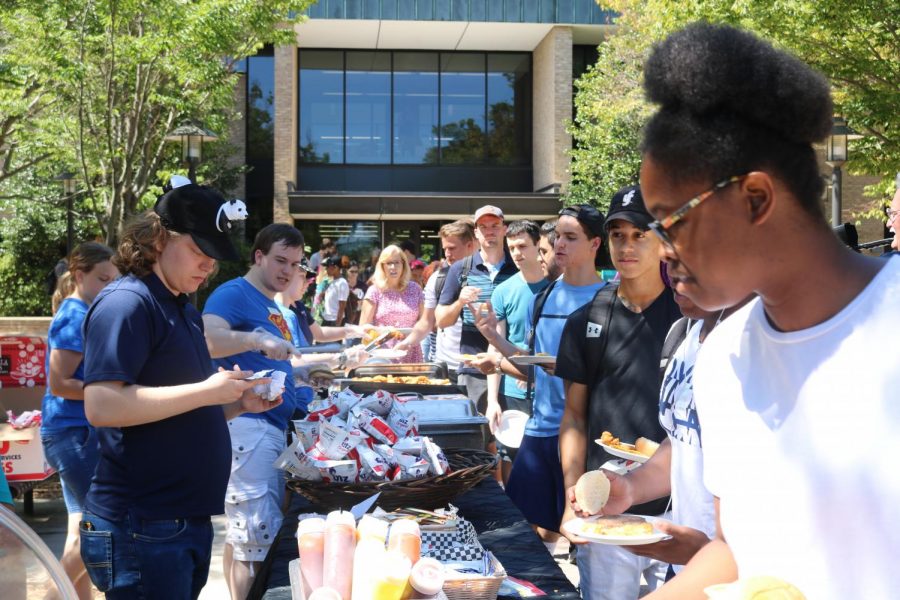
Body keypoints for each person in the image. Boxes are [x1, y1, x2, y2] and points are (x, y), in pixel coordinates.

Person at [636, 23, 900, 599]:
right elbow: (740, 552)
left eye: (669, 221)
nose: (661, 250)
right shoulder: (722, 358)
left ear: (755, 197)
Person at [80, 183, 277, 599]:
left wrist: (236, 404)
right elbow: (101, 405)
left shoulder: (179, 304)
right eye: (198, 251)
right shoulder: (127, 303)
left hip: (175, 520)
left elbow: (175, 407)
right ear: (157, 238)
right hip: (142, 522)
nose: (208, 265)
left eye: (213, 256)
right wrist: (207, 392)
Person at [556, 186, 681, 599]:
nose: (626, 246)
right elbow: (574, 415)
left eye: (639, 234)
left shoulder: (691, 318)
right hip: (606, 511)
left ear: (662, 240)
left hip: (678, 510)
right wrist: (572, 493)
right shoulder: (586, 321)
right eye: (617, 235)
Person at [471, 205, 606, 545]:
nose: (559, 244)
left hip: (585, 439)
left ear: (595, 244)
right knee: (520, 533)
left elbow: (609, 375)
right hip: (540, 428)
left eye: (570, 237)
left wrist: (564, 365)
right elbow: (532, 365)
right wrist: (494, 341)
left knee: (583, 541)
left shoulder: (609, 299)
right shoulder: (544, 296)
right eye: (557, 236)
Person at [202, 223, 306, 600]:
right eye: (280, 260)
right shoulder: (233, 293)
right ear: (258, 256)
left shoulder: (269, 302)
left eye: (294, 264)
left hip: (265, 428)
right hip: (248, 427)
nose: (288, 271)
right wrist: (256, 339)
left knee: (244, 539)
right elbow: (207, 338)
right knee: (256, 545)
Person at [40, 242, 117, 599]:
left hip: (74, 432)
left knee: (80, 531)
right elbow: (60, 384)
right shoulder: (74, 314)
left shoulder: (82, 310)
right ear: (79, 276)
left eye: (114, 280)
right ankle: (51, 595)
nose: (110, 287)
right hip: (73, 433)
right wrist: (114, 390)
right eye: (104, 279)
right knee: (103, 524)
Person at [472, 220, 548, 484]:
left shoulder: (556, 287)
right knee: (509, 457)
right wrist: (492, 400)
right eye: (512, 247)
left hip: (548, 389)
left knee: (545, 463)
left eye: (523, 246)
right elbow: (495, 344)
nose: (517, 253)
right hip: (512, 393)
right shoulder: (503, 291)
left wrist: (528, 366)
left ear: (539, 246)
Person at [436, 205, 518, 411]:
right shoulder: (460, 268)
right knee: (477, 437)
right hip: (473, 369)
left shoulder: (518, 266)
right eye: (483, 227)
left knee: (511, 436)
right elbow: (441, 320)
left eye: (495, 225)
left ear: (504, 229)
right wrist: (460, 302)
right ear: (476, 233)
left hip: (512, 367)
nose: (489, 231)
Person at [396, 221, 476, 379]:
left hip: (476, 368)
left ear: (470, 246)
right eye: (445, 248)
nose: (447, 254)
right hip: (444, 367)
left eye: (452, 248)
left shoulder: (484, 277)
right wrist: (408, 342)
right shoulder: (437, 278)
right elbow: (427, 322)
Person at [360, 245, 425, 363]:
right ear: (382, 266)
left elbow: (425, 321)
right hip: (382, 354)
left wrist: (413, 337)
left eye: (397, 262)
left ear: (404, 265)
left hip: (411, 351)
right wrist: (383, 331)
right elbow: (362, 328)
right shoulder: (374, 291)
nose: (393, 267)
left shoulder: (415, 289)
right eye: (388, 263)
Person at [319, 256, 349, 326]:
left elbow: (342, 306)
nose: (326, 269)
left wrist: (337, 325)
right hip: (326, 319)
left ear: (336, 268)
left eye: (328, 267)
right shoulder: (332, 281)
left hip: (334, 321)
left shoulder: (342, 283)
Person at [345, 260, 367, 325]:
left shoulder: (363, 286)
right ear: (347, 271)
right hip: (345, 318)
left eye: (356, 272)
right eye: (351, 271)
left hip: (359, 318)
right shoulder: (343, 285)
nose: (354, 274)